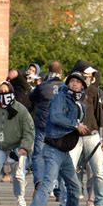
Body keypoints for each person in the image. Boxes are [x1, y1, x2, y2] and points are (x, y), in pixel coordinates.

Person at [23, 71, 90, 206]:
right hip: (53, 149)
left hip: (64, 151)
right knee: (47, 185)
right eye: (72, 81)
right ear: (68, 84)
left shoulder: (78, 102)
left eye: (78, 82)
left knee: (74, 185)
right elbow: (55, 117)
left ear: (82, 86)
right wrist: (75, 125)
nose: (75, 83)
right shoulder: (61, 96)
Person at [67, 60, 103, 206]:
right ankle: (66, 204)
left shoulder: (94, 91)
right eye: (85, 75)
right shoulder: (66, 91)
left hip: (93, 136)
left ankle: (100, 203)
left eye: (90, 75)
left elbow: (100, 114)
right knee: (70, 171)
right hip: (73, 137)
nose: (89, 77)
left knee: (98, 171)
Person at [29, 61, 64, 191]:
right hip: (59, 127)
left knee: (38, 154)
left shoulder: (42, 87)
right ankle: (58, 188)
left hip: (43, 125)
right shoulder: (65, 87)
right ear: (61, 72)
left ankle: (39, 180)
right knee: (59, 156)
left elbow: (31, 99)